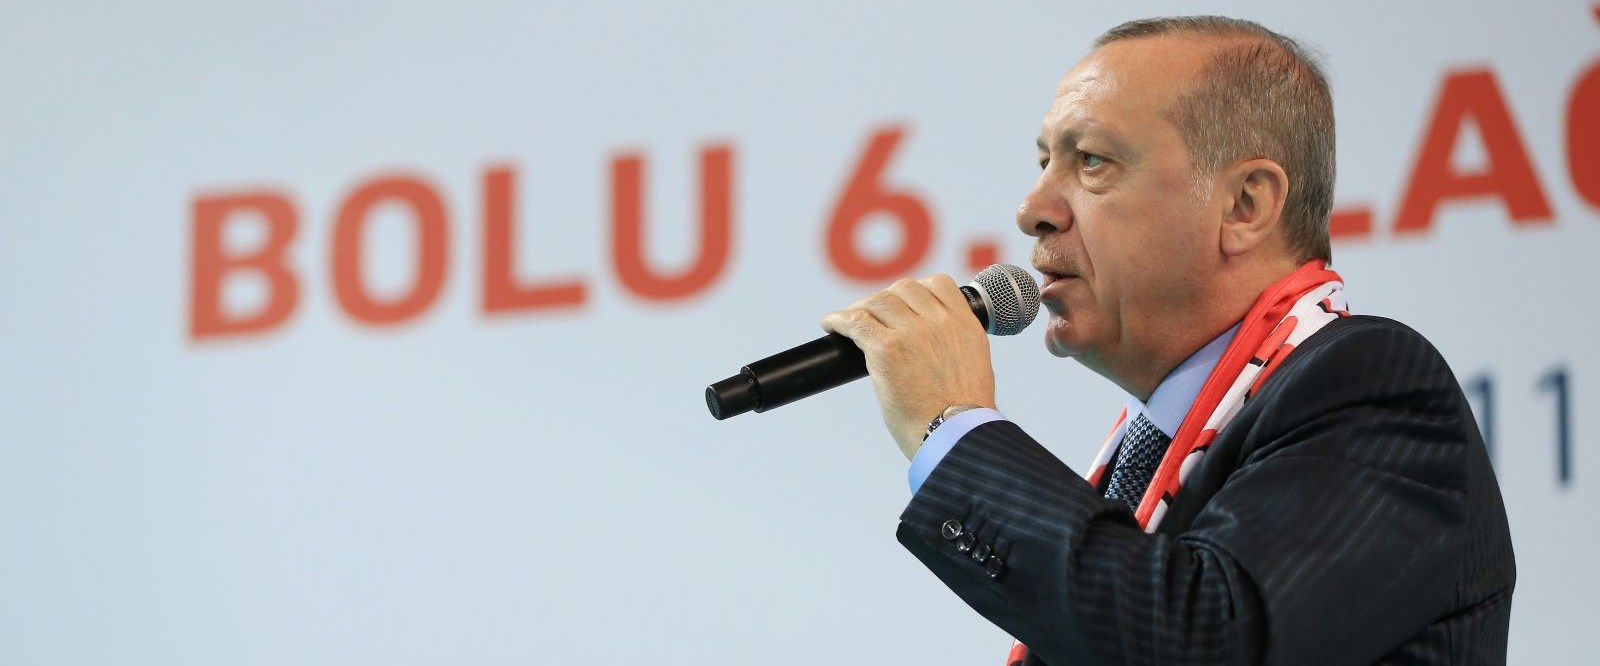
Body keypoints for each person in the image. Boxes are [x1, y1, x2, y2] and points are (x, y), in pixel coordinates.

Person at [820, 16, 1515, 665]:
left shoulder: (1371, 386)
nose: (1032, 210)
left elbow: (1205, 640)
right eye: (1044, 162)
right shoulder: (1148, 449)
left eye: (1092, 161)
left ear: (1245, 205)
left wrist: (954, 425)